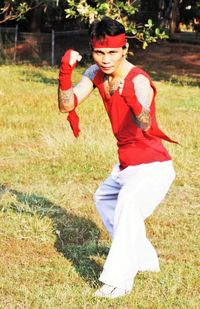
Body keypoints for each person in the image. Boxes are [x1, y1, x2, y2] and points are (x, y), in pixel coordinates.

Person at [58, 16, 177, 299]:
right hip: (126, 164)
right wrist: (65, 73)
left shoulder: (139, 79)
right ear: (92, 50)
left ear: (124, 50)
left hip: (153, 165)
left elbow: (147, 122)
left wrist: (133, 101)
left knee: (127, 205)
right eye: (100, 52)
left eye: (112, 52)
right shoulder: (95, 74)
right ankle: (145, 258)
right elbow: (67, 105)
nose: (106, 59)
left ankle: (117, 281)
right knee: (104, 199)